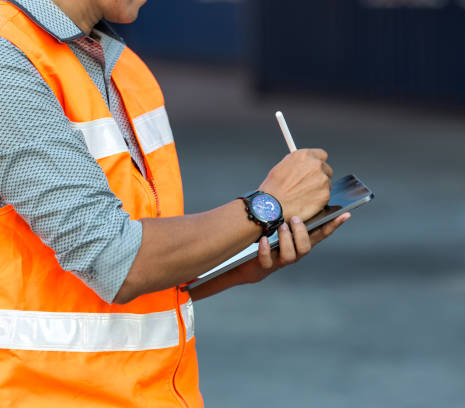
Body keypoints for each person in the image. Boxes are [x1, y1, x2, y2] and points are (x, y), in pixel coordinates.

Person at [0, 0, 350, 406]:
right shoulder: (9, 62)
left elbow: (147, 268)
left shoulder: (125, 70)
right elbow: (114, 257)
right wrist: (264, 208)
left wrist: (242, 256)